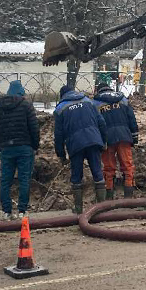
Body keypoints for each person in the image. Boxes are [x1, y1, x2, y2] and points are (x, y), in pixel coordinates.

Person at [0, 80, 39, 219]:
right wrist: (35, 145)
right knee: (24, 179)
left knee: (6, 180)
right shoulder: (26, 105)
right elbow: (34, 128)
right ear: (21, 91)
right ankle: (22, 211)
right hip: (24, 148)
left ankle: (6, 211)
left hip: (6, 149)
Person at [54, 84, 108, 213]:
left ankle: (78, 209)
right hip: (93, 140)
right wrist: (104, 141)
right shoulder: (88, 102)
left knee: (76, 176)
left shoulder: (60, 109)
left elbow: (58, 135)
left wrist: (61, 154)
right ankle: (102, 208)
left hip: (75, 144)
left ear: (62, 96)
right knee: (97, 173)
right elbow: (101, 122)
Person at [92, 82, 139, 200]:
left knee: (108, 168)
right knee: (127, 165)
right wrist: (134, 136)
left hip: (107, 139)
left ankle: (109, 197)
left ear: (98, 90)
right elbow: (131, 119)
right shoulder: (123, 99)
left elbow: (95, 123)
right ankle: (128, 197)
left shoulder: (95, 104)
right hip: (124, 136)